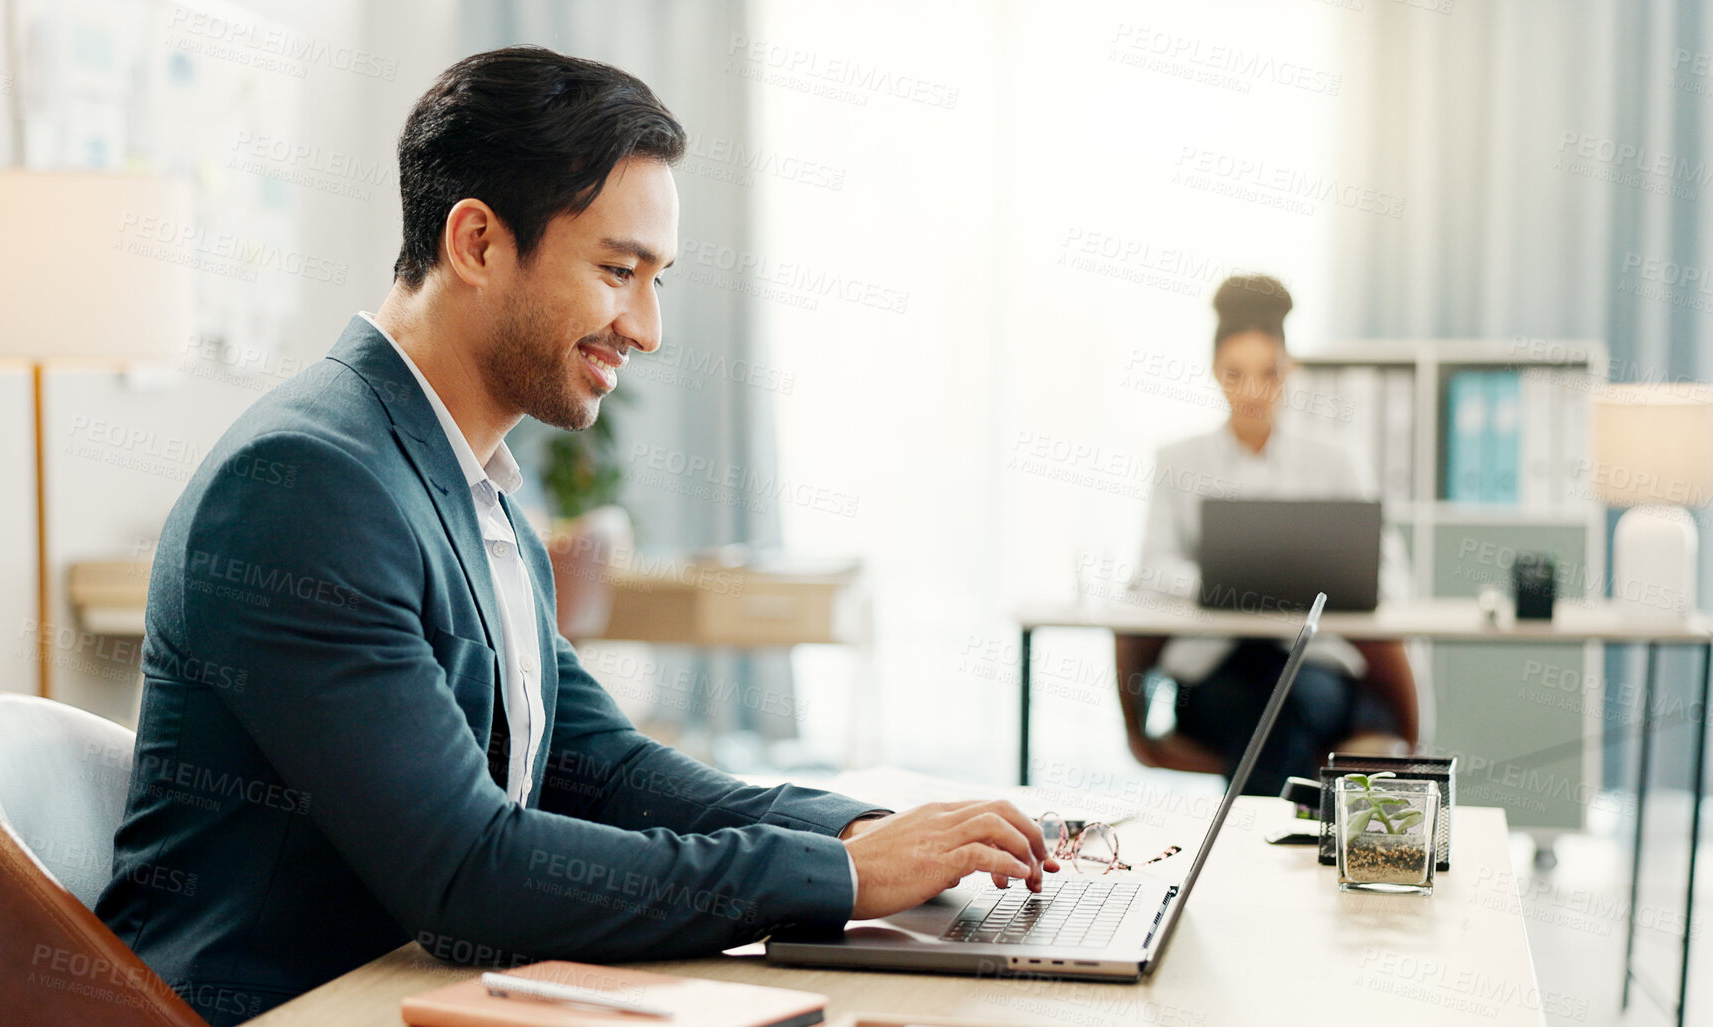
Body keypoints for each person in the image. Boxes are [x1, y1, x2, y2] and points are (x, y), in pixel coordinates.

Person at [95, 46, 1055, 1026]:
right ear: (475, 241)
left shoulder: (485, 495)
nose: (646, 328)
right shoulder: (305, 481)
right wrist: (839, 875)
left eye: (658, 280)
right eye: (617, 271)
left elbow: (604, 771)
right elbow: (471, 875)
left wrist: (870, 832)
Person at [1112, 274, 1421, 797]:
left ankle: (1241, 860)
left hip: (1314, 664)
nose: (1252, 391)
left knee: (1284, 708)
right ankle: (1284, 853)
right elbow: (1152, 567)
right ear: (1215, 372)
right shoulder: (1177, 460)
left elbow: (1388, 572)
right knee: (1258, 710)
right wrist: (1225, 579)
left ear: (1289, 371)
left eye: (1268, 374)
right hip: (1215, 666)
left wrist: (1315, 583)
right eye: (1236, 373)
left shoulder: (1336, 460)